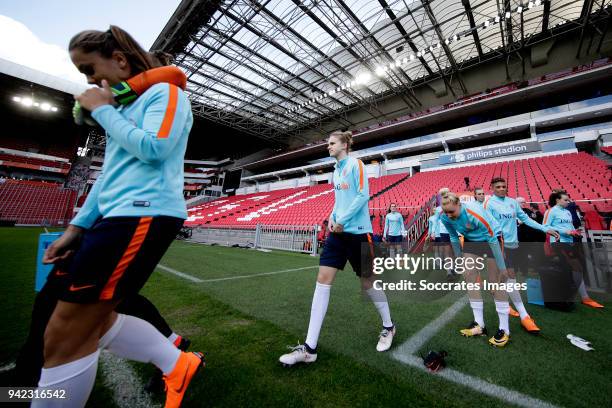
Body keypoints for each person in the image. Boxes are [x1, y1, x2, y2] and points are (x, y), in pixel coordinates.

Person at [31, 26, 202, 408]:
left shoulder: (166, 93)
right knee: (91, 319)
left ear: (120, 60)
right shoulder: (123, 109)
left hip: (143, 216)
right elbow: (110, 175)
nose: (89, 81)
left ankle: (176, 363)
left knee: (67, 332)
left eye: (90, 69)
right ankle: (177, 363)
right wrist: (77, 227)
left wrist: (103, 111)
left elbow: (156, 149)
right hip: (113, 219)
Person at [279, 130, 395, 366]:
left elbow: (363, 195)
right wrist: (332, 217)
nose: (327, 147)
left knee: (368, 283)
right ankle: (309, 348)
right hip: (337, 234)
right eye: (327, 143)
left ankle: (389, 327)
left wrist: (342, 219)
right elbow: (338, 200)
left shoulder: (356, 165)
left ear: (344, 144)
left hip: (359, 233)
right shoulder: (335, 171)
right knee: (323, 278)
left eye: (331, 143)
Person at [483, 178, 560, 333]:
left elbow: (525, 219)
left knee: (502, 279)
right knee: (510, 276)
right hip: (499, 245)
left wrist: (544, 228)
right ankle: (524, 316)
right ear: (492, 188)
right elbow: (487, 226)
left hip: (513, 245)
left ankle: (503, 301)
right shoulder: (489, 204)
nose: (501, 189)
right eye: (497, 187)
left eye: (504, 186)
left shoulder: (512, 202)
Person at [440, 193, 512, 347]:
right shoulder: (445, 217)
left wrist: (502, 268)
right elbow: (453, 237)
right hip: (472, 240)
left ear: (459, 204)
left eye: (451, 211)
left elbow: (492, 239)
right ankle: (479, 324)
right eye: (446, 212)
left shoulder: (474, 213)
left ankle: (505, 329)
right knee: (469, 277)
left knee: (495, 282)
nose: (448, 215)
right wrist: (459, 258)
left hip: (491, 238)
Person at [544, 192, 604, 308]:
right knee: (576, 267)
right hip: (558, 243)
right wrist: (564, 232)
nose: (569, 202)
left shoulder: (567, 212)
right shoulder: (550, 211)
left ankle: (575, 296)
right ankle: (582, 297)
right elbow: (545, 227)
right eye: (566, 200)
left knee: (575, 268)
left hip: (570, 242)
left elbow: (570, 226)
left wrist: (575, 233)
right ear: (557, 200)